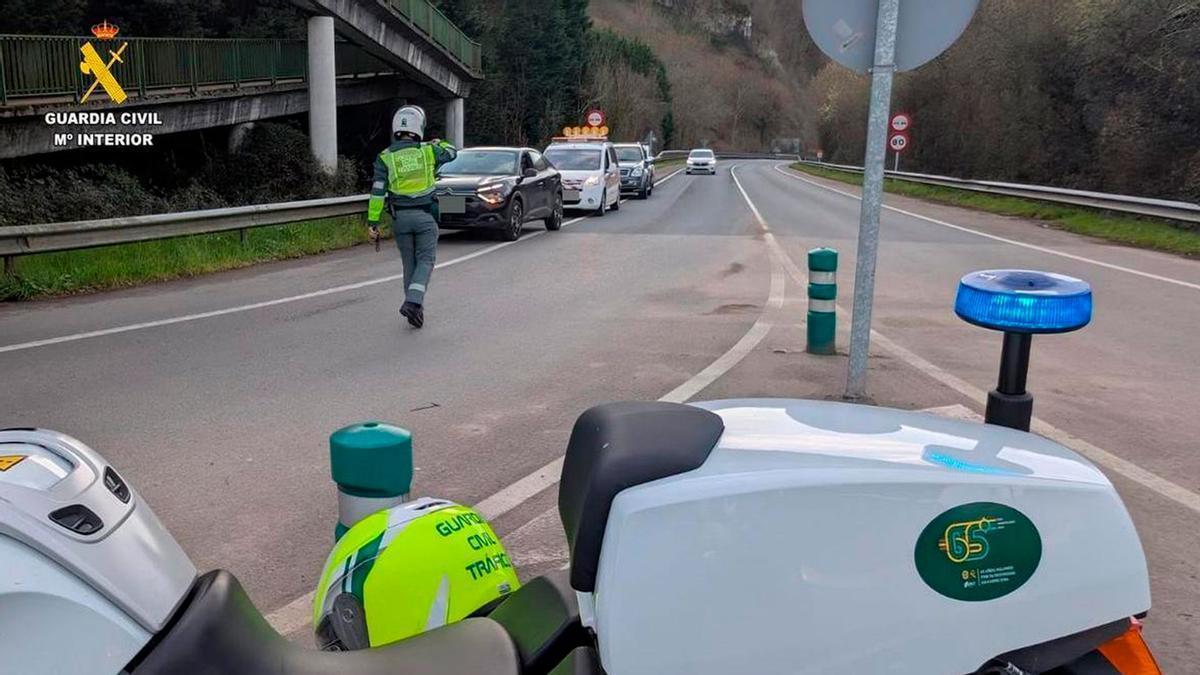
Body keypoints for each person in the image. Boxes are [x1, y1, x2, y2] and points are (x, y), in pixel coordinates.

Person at [367, 105, 457, 328]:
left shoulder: (385, 157)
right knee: (426, 260)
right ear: (420, 127)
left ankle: (414, 310)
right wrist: (438, 143)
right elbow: (453, 152)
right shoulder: (428, 151)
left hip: (400, 220)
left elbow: (378, 192)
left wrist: (373, 223)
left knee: (409, 264)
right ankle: (414, 301)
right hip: (426, 217)